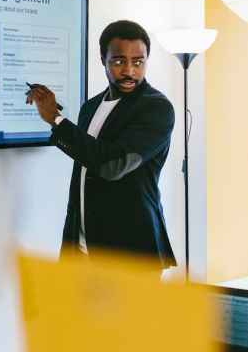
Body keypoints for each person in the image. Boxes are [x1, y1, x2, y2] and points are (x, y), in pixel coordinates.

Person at [26, 20, 176, 271]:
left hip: (131, 255)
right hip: (82, 248)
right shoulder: (90, 108)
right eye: (118, 61)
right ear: (103, 59)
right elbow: (84, 171)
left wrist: (56, 119)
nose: (129, 70)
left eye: (138, 62)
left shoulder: (156, 108)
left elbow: (112, 165)